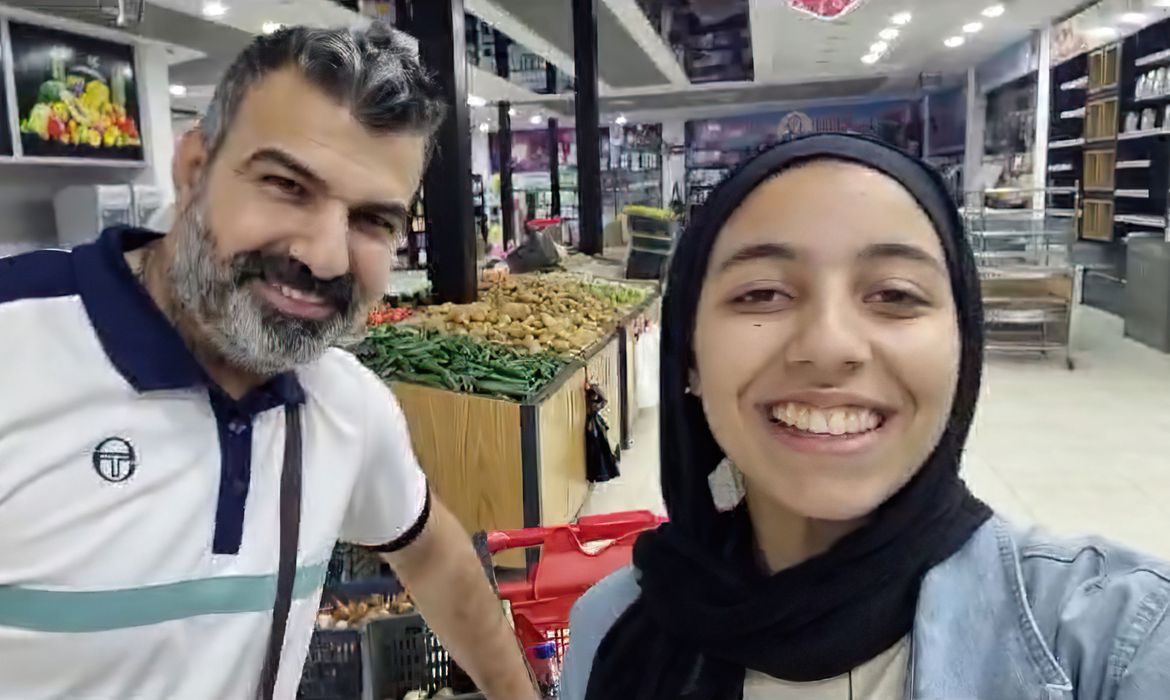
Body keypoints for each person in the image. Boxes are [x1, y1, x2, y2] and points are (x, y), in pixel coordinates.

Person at [0, 23, 537, 700]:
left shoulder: (347, 404)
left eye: (373, 221)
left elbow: (432, 556)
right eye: (287, 185)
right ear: (194, 170)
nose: (326, 257)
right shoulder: (16, 348)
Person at [561, 133, 1170, 700]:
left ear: (963, 346)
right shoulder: (612, 628)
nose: (830, 346)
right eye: (762, 293)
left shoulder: (1113, 639)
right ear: (689, 356)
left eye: (895, 295)